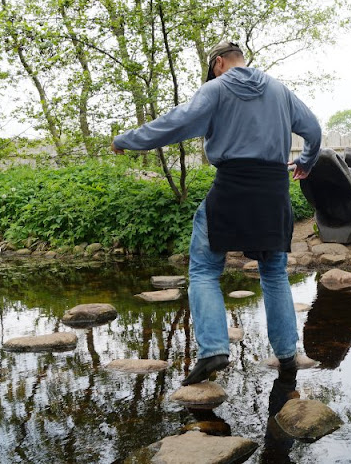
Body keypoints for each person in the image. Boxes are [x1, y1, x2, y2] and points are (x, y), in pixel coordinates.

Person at [111, 40, 321, 385]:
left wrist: (126, 140)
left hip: (232, 185)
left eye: (212, 69)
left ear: (220, 62)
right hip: (273, 191)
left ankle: (213, 350)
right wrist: (306, 161)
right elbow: (312, 129)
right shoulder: (280, 90)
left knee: (206, 270)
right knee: (274, 274)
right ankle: (287, 357)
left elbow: (175, 123)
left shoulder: (215, 89)